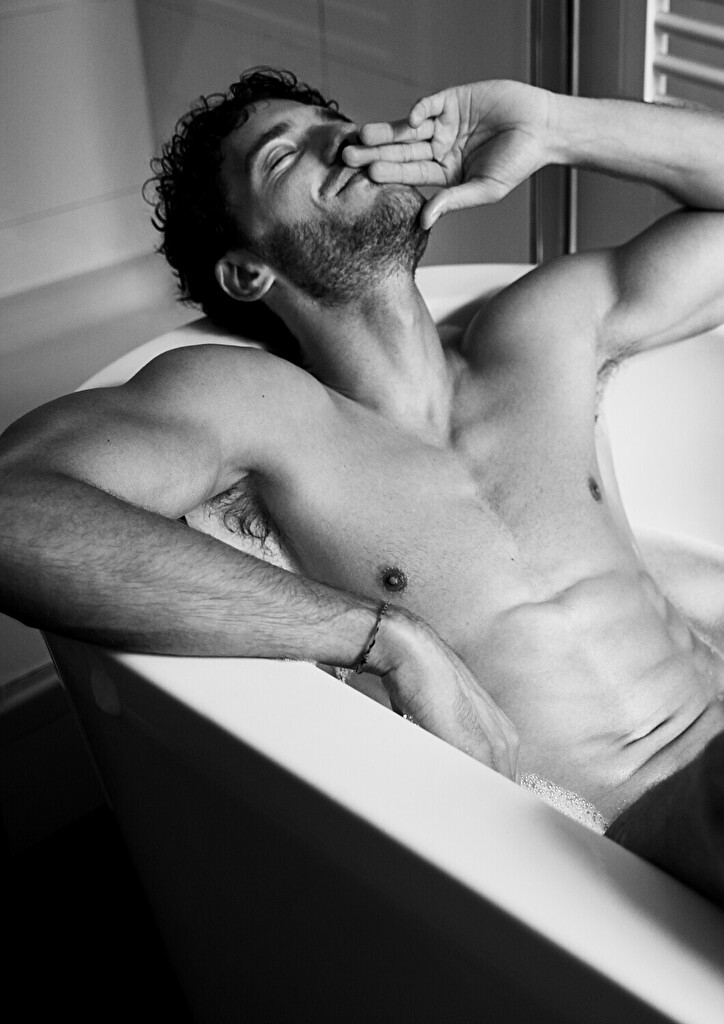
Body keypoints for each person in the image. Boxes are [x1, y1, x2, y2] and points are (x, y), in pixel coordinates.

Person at [1, 69, 723, 861]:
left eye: (332, 122)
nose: (340, 142)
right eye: (283, 156)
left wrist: (553, 125)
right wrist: (384, 638)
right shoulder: (264, 409)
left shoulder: (543, 332)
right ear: (248, 272)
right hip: (625, 847)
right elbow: (14, 510)